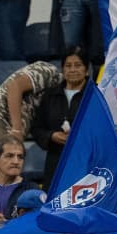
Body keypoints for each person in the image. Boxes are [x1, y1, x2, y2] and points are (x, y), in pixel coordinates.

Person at [0, 60, 61, 162]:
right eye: (69, 66)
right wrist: (17, 130)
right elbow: (15, 86)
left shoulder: (62, 99)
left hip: (11, 135)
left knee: (10, 176)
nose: (73, 71)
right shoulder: (50, 72)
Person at [33, 47, 90, 187]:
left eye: (78, 65)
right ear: (63, 70)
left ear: (86, 70)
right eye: (68, 66)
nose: (72, 70)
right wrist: (52, 136)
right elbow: (36, 128)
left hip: (86, 161)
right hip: (55, 161)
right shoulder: (50, 95)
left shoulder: (95, 95)